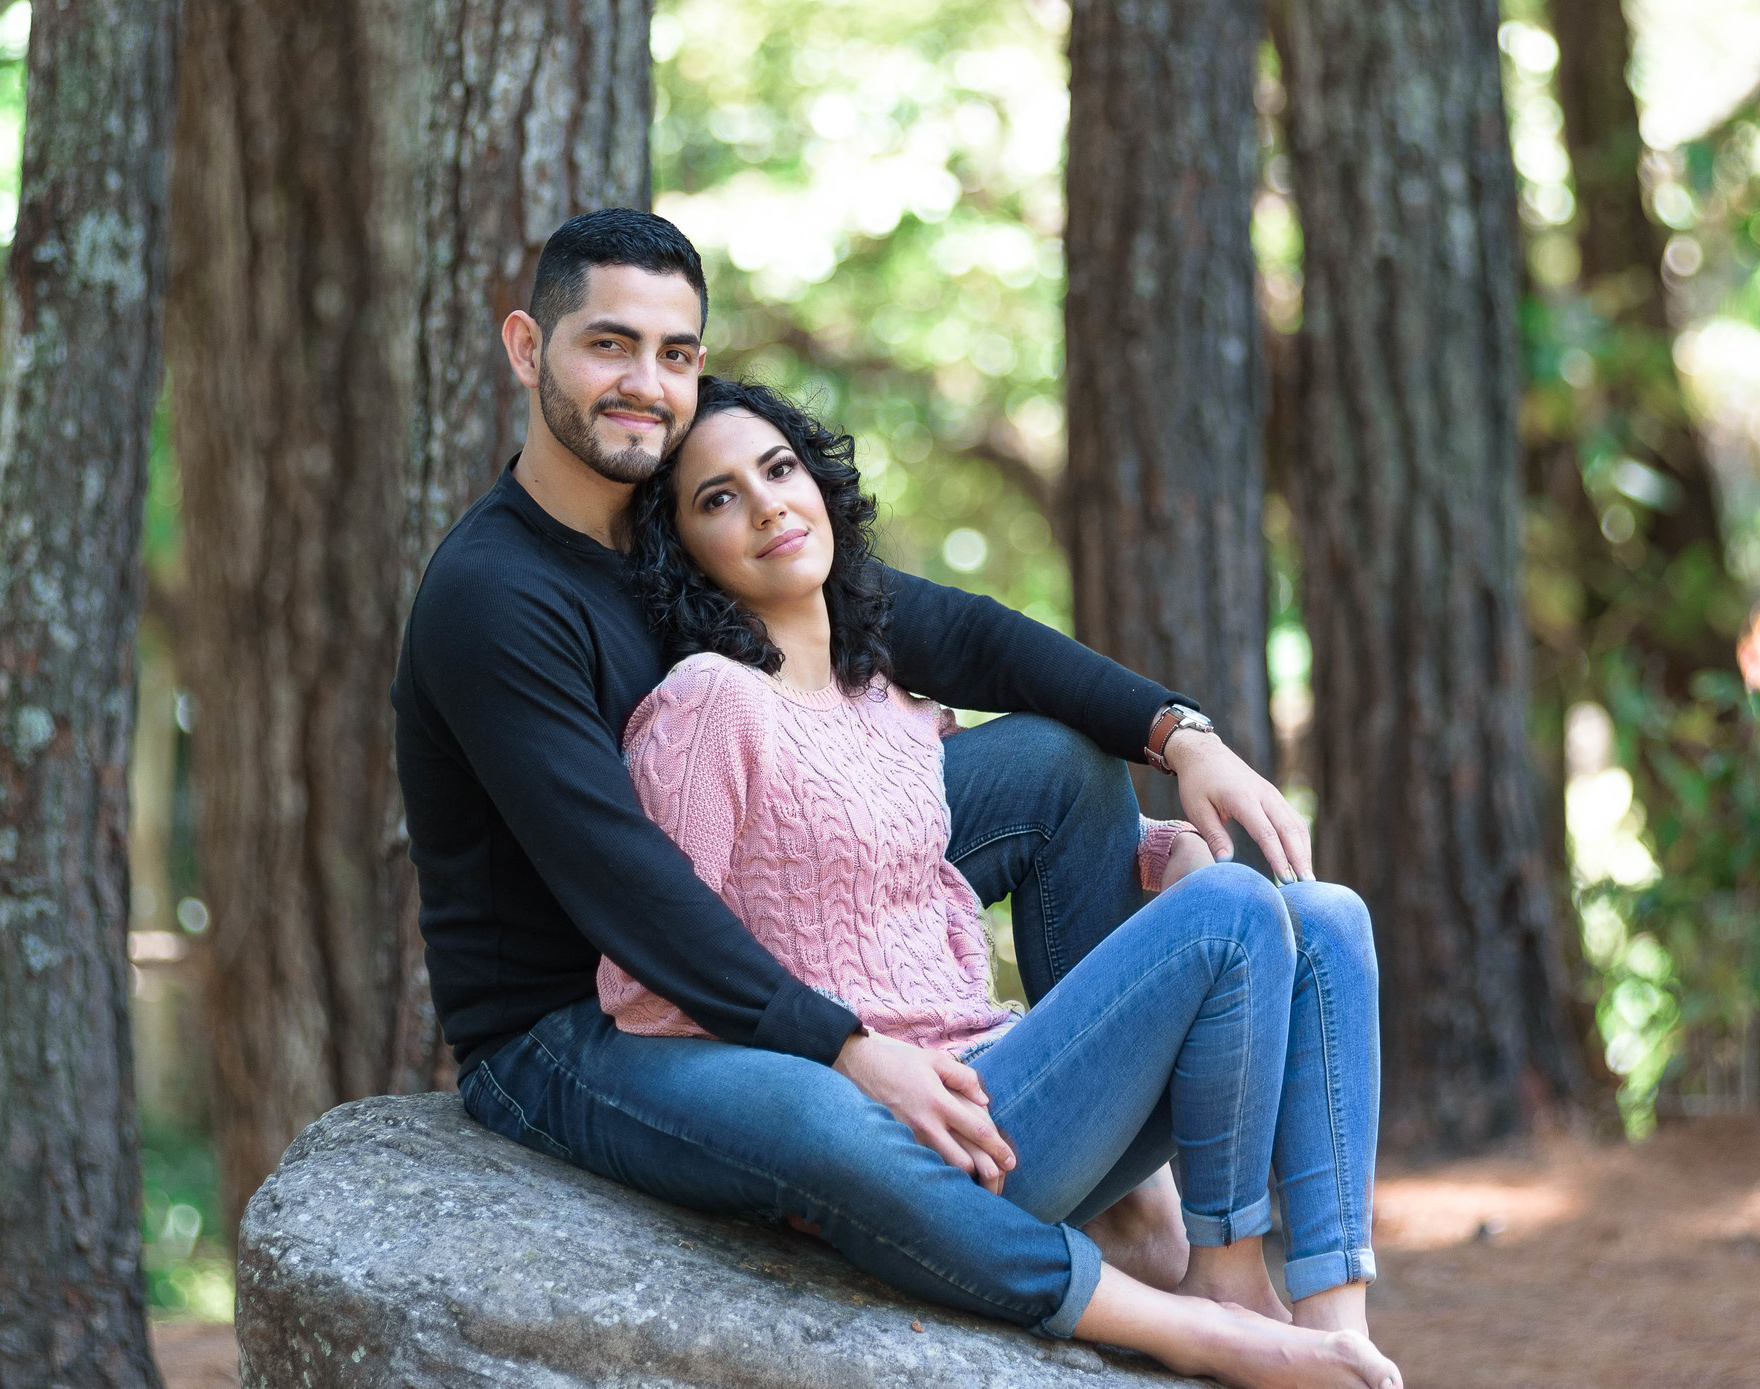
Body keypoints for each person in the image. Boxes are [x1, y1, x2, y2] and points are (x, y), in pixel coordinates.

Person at [390, 209, 1352, 1378]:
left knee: (1055, 764)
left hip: (742, 917)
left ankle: (1121, 1173)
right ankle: (1168, 1319)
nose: (646, 383)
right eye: (610, 345)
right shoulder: (495, 595)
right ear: (527, 347)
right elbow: (621, 884)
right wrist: (847, 1045)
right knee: (822, 1122)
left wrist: (1177, 730)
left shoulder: (677, 521)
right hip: (573, 1022)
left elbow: (961, 634)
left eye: (676, 352)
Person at [597, 375, 1393, 1387]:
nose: (766, 505)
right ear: (686, 552)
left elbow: (909, 868)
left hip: (1007, 1079)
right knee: (1237, 911)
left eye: (780, 467)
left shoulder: (881, 700)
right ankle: (1228, 1281)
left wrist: (1160, 856)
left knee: (1325, 916)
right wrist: (843, 1061)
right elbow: (647, 980)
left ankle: (1339, 1324)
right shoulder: (707, 704)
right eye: (718, 498)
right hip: (915, 1149)